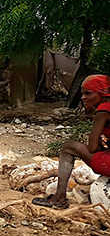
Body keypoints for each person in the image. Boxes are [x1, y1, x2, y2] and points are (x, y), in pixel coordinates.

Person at [33, 75, 110, 209]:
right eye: (82, 94)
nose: (83, 97)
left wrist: (96, 138)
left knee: (68, 147)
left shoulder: (103, 110)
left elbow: (92, 148)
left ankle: (59, 198)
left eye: (88, 93)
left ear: (102, 94)